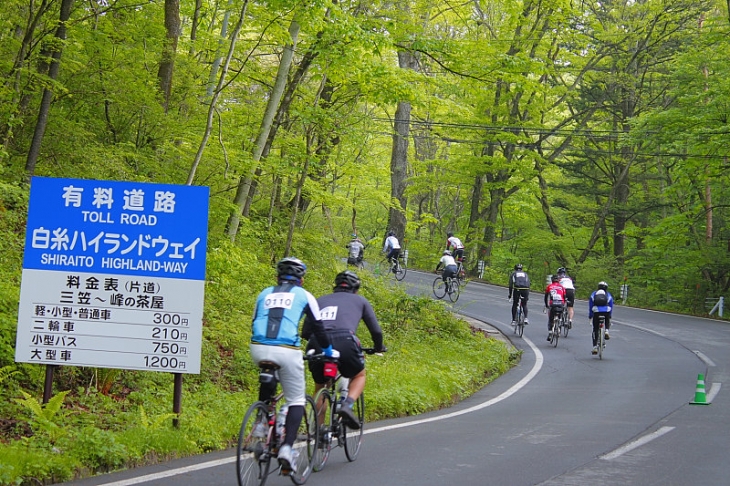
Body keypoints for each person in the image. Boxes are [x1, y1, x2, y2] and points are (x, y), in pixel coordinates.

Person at [250, 257, 338, 473]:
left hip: (258, 347)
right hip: (287, 349)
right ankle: (287, 449)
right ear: (302, 280)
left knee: (268, 373)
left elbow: (254, 321)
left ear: (277, 277)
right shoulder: (304, 295)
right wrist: (328, 351)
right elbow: (318, 327)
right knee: (297, 400)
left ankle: (261, 421)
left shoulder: (264, 293)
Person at [302, 270, 386, 429]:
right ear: (356, 288)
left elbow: (305, 332)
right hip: (345, 341)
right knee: (359, 375)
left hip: (317, 342)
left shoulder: (320, 300)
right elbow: (376, 331)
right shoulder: (360, 301)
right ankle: (347, 405)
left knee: (321, 386)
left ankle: (317, 433)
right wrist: (378, 346)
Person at [588, 281, 614, 355]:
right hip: (606, 311)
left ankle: (595, 347)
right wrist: (610, 315)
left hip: (596, 312)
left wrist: (590, 316)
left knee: (595, 329)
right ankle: (606, 330)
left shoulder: (594, 294)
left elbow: (590, 306)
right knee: (607, 319)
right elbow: (611, 305)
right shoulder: (608, 295)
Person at [544, 274, 567, 341]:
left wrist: (546, 305)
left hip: (553, 303)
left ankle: (550, 332)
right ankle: (559, 324)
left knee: (551, 318)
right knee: (560, 314)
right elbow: (565, 297)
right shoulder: (562, 287)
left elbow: (546, 297)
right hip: (560, 303)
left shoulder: (549, 286)